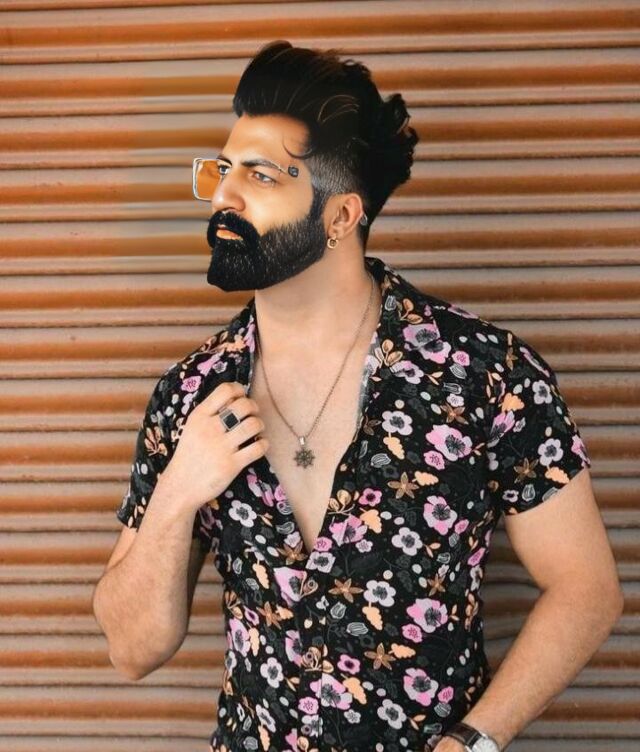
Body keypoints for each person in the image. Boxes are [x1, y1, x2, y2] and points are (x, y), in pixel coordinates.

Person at [92, 40, 624, 752]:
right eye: (222, 170)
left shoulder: (483, 373)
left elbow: (587, 589)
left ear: (341, 216)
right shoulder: (190, 394)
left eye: (259, 175)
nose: (222, 196)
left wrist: (474, 742)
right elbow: (133, 650)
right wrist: (177, 494)